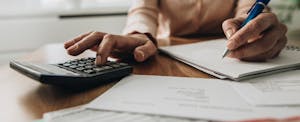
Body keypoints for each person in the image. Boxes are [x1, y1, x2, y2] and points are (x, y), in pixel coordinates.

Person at [64, 0, 287, 65]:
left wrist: (256, 24)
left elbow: (249, 9)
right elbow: (143, 10)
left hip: (227, 58)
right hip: (169, 59)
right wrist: (139, 34)